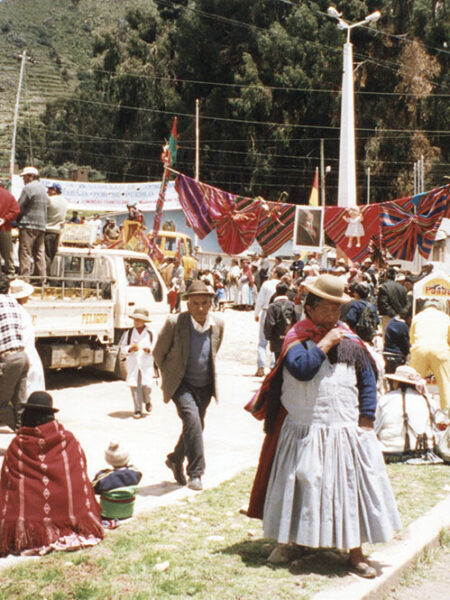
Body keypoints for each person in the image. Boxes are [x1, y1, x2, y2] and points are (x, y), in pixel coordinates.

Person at [246, 274, 400, 578]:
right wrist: (325, 343)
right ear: (310, 309)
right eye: (327, 310)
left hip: (344, 431)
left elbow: (367, 380)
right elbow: (302, 370)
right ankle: (294, 542)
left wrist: (366, 418)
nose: (333, 317)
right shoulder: (297, 338)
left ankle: (354, 552)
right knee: (303, 484)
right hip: (305, 430)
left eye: (336, 310)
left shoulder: (351, 340)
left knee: (348, 490)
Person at [0, 391, 104, 556]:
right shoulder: (69, 440)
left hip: (29, 526)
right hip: (70, 514)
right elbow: (79, 478)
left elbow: (8, 486)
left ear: (28, 415)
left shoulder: (18, 445)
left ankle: (38, 530)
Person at [153, 280, 224, 491]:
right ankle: (196, 473)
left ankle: (175, 458)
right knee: (192, 420)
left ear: (211, 303)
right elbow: (159, 353)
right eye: (195, 303)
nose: (200, 308)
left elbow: (213, 351)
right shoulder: (175, 323)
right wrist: (171, 374)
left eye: (204, 303)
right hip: (181, 384)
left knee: (195, 426)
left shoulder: (218, 325)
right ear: (187, 304)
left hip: (205, 385)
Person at [375, 365, 444, 462]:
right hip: (421, 452)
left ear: (396, 382)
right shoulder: (428, 401)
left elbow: (375, 427)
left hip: (389, 452)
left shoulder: (385, 399)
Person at [409, 298, 450, 411]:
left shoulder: (417, 317)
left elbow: (412, 339)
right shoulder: (446, 318)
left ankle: (412, 409)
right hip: (440, 350)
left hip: (420, 349)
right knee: (445, 384)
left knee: (414, 383)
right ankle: (446, 414)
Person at [0, 273, 29, 430]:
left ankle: (21, 433)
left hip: (8, 358)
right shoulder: (13, 302)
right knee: (20, 405)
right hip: (22, 357)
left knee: (1, 404)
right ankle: (28, 438)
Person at [9, 278, 45, 398]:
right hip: (28, 354)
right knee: (27, 390)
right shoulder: (21, 313)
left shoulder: (14, 311)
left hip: (21, 355)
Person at [120, 308, 154, 419]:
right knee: (135, 386)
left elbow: (156, 347)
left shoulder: (150, 333)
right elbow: (123, 347)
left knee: (147, 386)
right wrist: (130, 349)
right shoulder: (129, 333)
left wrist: (149, 350)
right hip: (134, 362)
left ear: (144, 321)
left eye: (139, 320)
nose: (136, 322)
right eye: (135, 319)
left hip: (146, 363)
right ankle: (138, 409)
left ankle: (147, 400)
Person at [254, 266, 286, 377]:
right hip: (280, 312)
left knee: (262, 342)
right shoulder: (284, 284)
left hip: (267, 310)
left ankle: (261, 366)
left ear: (276, 273)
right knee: (275, 340)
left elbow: (260, 300)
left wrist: (256, 313)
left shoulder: (267, 284)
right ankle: (273, 366)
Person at [17, 166, 48, 281]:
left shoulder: (28, 188)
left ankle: (24, 279)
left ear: (31, 176)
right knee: (39, 253)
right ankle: (42, 278)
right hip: (41, 225)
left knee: (25, 252)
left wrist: (15, 220)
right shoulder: (43, 189)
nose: (23, 179)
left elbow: (19, 206)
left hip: (28, 224)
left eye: (24, 177)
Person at [263, 282, 298, 361]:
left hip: (277, 340)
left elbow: (270, 323)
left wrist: (268, 337)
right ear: (286, 292)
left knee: (278, 361)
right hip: (290, 338)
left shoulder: (272, 307)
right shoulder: (292, 305)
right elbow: (296, 321)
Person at [377, 268, 408, 336]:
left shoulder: (384, 287)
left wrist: (394, 315)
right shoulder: (402, 288)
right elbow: (407, 303)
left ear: (385, 276)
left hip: (388, 317)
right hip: (400, 317)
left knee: (388, 338)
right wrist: (401, 314)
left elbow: (384, 304)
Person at [45, 182, 68, 270]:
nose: (47, 191)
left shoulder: (50, 200)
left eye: (49, 189)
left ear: (54, 190)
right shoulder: (65, 202)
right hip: (57, 231)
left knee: (45, 256)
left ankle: (44, 277)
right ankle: (48, 276)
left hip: (48, 230)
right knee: (51, 256)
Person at [383, 305, 412, 376]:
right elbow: (406, 345)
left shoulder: (392, 321)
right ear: (408, 317)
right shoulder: (403, 326)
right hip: (397, 357)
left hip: (386, 355)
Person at [0, 185, 20, 277]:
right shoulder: (9, 196)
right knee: (7, 254)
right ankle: (10, 275)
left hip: (5, 227)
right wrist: (5, 219)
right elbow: (16, 211)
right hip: (5, 228)